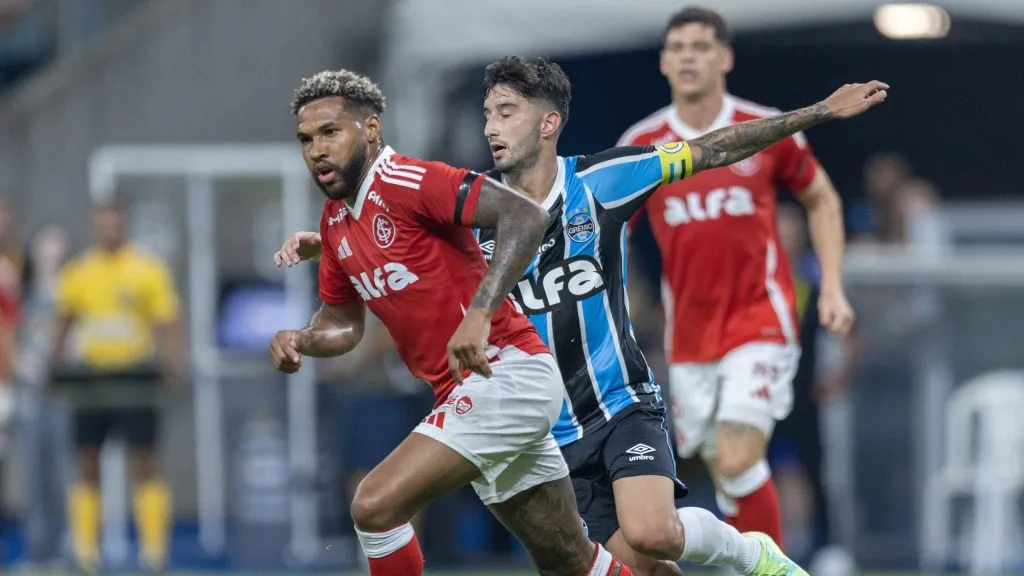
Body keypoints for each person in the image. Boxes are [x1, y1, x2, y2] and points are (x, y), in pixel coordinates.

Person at [277, 60, 886, 574]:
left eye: (506, 112)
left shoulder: (599, 181)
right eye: (487, 113)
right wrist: (328, 245)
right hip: (546, 431)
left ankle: (752, 553)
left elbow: (709, 151)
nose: (491, 127)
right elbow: (391, 238)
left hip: (617, 403)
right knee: (616, 568)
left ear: (549, 123)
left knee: (653, 534)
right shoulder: (468, 211)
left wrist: (815, 113)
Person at [270, 69, 637, 576]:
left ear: (371, 129)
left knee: (373, 505)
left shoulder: (409, 181)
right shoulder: (335, 222)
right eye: (306, 140)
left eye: (331, 132)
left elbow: (525, 217)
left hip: (506, 374)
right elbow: (343, 323)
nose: (316, 150)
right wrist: (304, 339)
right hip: (471, 392)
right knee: (571, 561)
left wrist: (480, 314)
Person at [618, 7, 859, 548]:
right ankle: (751, 558)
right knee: (727, 475)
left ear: (724, 57)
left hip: (761, 322)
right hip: (690, 340)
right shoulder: (644, 142)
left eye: (700, 46)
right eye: (677, 47)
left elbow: (820, 198)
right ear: (662, 61)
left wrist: (834, 285)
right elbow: (613, 234)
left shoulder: (763, 127)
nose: (687, 56)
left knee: (736, 454)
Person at [53, 202, 185, 574]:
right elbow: (63, 321)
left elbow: (169, 321)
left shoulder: (146, 269)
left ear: (124, 226)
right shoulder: (78, 271)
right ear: (94, 228)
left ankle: (154, 555)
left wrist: (171, 363)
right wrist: (56, 366)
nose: (108, 231)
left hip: (135, 383)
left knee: (145, 464)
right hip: (91, 384)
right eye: (102, 225)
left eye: (114, 224)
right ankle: (86, 555)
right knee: (86, 464)